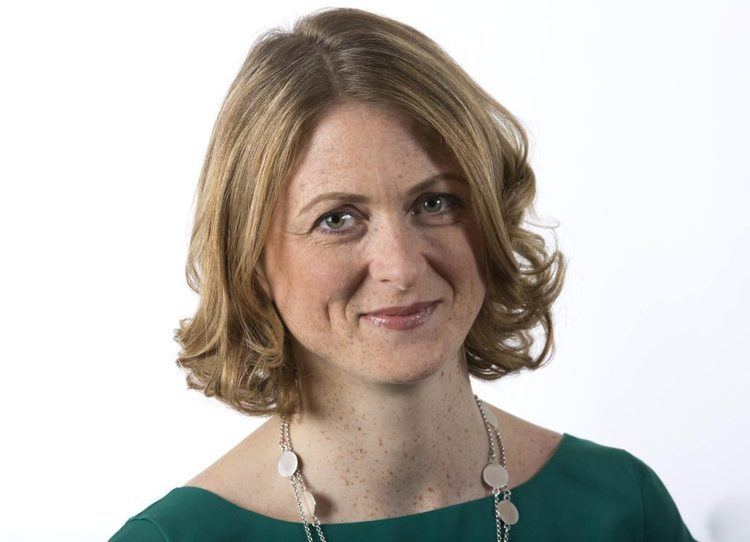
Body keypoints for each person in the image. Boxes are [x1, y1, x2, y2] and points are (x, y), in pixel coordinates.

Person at [109, 7, 697, 541]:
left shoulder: (620, 508)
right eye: (337, 218)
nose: (401, 266)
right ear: (251, 258)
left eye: (435, 203)